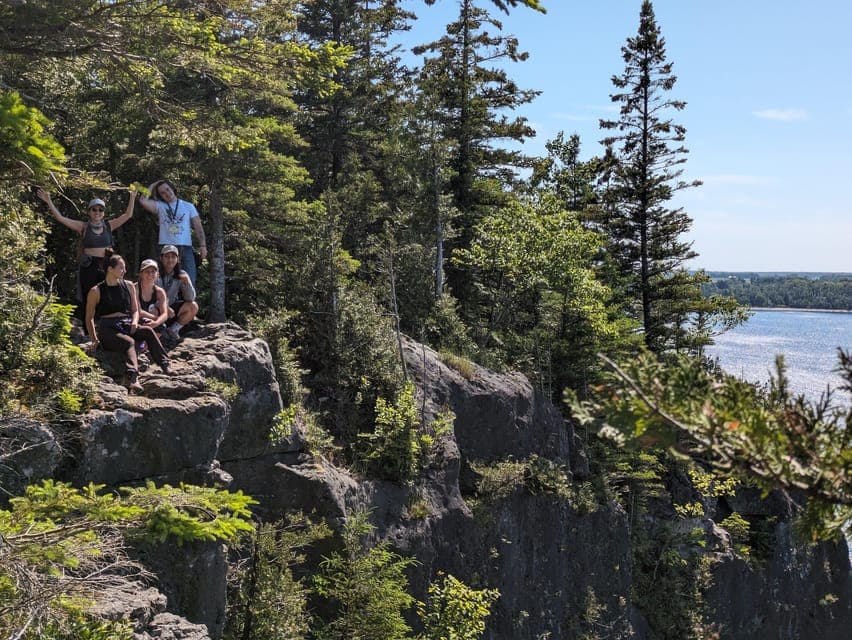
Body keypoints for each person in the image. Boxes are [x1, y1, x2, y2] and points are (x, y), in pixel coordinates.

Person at [37, 187, 136, 311]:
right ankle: (87, 324)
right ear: (89, 212)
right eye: (94, 209)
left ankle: (104, 322)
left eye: (100, 210)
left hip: (107, 264)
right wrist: (49, 201)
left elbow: (128, 215)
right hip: (89, 265)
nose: (97, 212)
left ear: (104, 213)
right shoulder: (83, 226)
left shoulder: (109, 225)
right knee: (88, 293)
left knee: (107, 292)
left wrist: (132, 197)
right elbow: (61, 218)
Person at [85, 253, 170, 392]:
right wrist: (94, 339)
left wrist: (135, 322)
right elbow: (89, 317)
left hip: (126, 323)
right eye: (121, 268)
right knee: (129, 342)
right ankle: (133, 378)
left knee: (148, 331)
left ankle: (165, 365)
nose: (124, 271)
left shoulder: (129, 286)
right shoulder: (96, 291)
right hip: (108, 328)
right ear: (110, 269)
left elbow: (136, 310)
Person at [139, 179, 207, 286]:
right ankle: (164, 302)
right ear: (160, 195)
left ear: (172, 189)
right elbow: (143, 200)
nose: (167, 193)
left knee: (189, 281)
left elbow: (198, 227)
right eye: (162, 192)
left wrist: (203, 245)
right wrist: (153, 184)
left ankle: (188, 302)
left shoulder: (188, 206)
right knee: (163, 281)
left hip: (185, 248)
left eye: (167, 189)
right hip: (166, 248)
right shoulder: (160, 206)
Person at [156, 245, 199, 342]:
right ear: (161, 258)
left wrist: (187, 282)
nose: (170, 260)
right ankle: (158, 332)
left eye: (173, 257)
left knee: (193, 306)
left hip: (172, 310)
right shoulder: (155, 273)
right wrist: (165, 308)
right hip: (157, 309)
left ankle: (173, 330)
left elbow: (190, 298)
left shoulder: (182, 274)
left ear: (178, 259)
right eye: (167, 257)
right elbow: (152, 297)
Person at [136, 259, 169, 331]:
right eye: (147, 272)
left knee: (162, 327)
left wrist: (156, 323)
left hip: (149, 319)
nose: (150, 274)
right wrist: (156, 318)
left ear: (157, 274)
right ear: (141, 274)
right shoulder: (135, 288)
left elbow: (165, 314)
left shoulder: (160, 292)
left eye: (153, 272)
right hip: (136, 319)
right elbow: (138, 311)